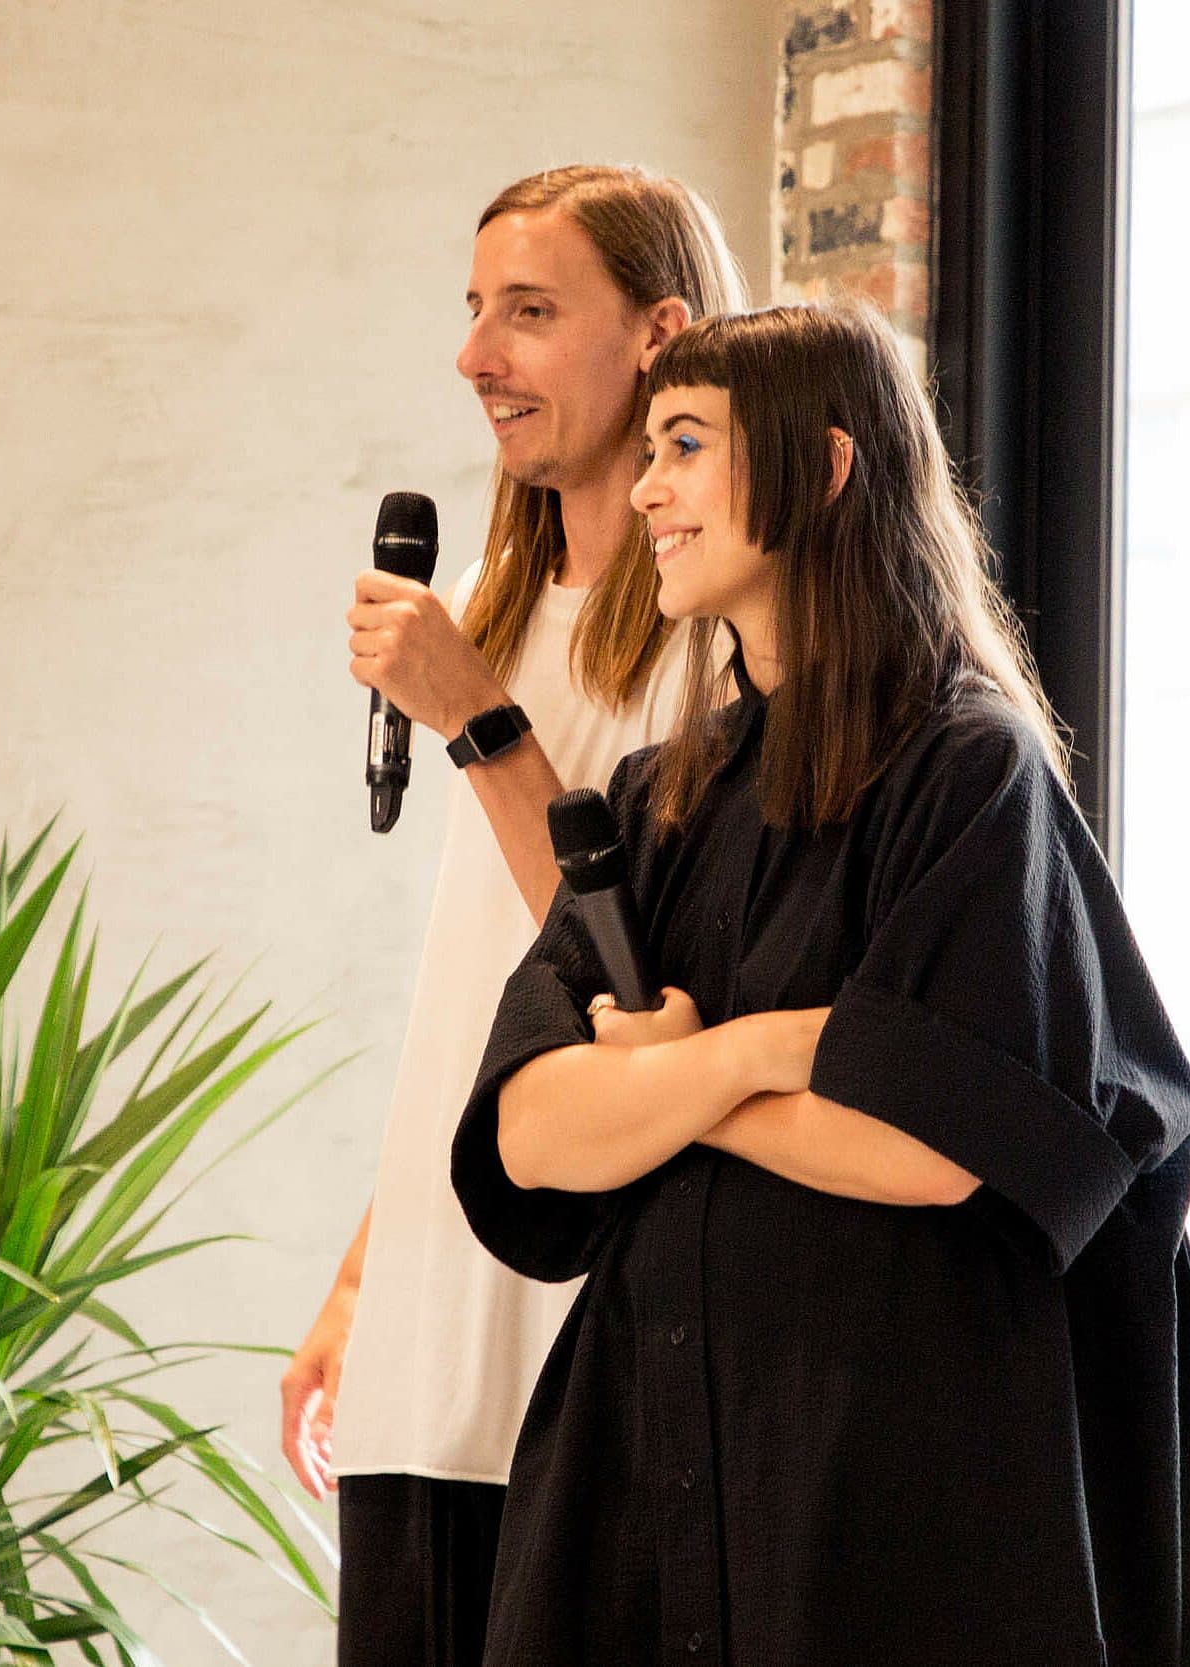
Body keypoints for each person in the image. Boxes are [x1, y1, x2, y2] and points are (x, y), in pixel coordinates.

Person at [452, 302, 1190, 1666]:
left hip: (896, 1502)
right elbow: (531, 1133)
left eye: (685, 445)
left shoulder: (967, 769)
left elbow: (929, 1145)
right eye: (648, 448)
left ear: (823, 470)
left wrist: (651, 1086)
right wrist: (760, 1056)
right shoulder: (660, 799)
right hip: (659, 1468)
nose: (645, 488)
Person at [277, 165, 748, 1667]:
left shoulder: (721, 636)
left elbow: (625, 992)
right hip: (435, 1308)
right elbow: (480, 982)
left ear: (663, 332)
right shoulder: (484, 594)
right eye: (476, 311)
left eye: (530, 312)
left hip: (585, 1319)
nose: (479, 354)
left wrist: (483, 730)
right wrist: (369, 1268)